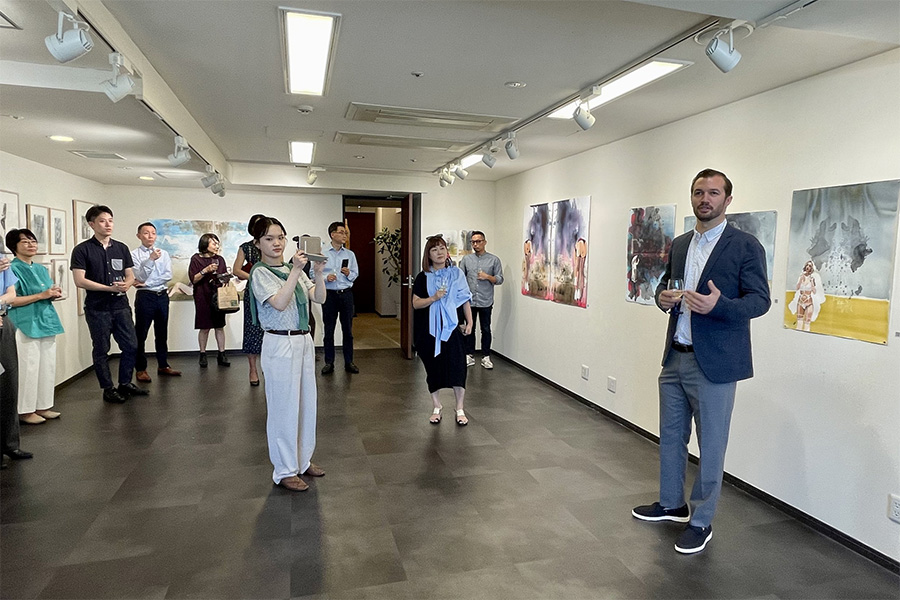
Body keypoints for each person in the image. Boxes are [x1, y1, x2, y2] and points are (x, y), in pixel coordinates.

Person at [631, 169, 770, 554]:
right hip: (675, 356)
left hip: (717, 364)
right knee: (671, 438)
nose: (704, 199)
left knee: (711, 446)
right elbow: (666, 284)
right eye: (698, 192)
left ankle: (701, 520)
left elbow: (760, 301)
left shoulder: (744, 246)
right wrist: (661, 297)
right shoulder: (679, 244)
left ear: (728, 199)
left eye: (713, 192)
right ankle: (671, 503)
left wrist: (719, 305)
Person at [247, 216, 326, 492]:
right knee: (283, 408)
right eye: (269, 238)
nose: (277, 243)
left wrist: (316, 272)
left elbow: (319, 298)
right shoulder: (260, 273)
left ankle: (303, 460)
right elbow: (279, 303)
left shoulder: (295, 270)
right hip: (279, 343)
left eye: (280, 237)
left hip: (303, 341)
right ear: (257, 243)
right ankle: (284, 470)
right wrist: (295, 271)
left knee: (306, 404)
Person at [71, 205, 149, 404]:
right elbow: (80, 280)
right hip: (98, 308)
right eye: (103, 221)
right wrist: (108, 288)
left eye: (111, 220)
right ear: (92, 224)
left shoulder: (121, 247)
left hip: (121, 306)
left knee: (131, 345)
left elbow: (130, 274)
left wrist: (127, 284)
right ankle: (108, 388)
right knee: (101, 349)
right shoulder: (82, 250)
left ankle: (125, 383)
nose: (108, 225)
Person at [412, 235, 473, 426]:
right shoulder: (423, 277)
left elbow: (464, 300)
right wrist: (433, 298)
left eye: (442, 248)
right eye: (434, 249)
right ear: (428, 255)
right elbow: (416, 304)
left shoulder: (457, 274)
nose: (439, 253)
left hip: (452, 328)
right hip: (429, 330)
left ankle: (460, 408)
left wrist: (470, 322)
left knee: (458, 368)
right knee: (433, 368)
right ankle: (437, 406)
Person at [6, 229, 64, 424]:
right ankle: (25, 411)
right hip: (25, 321)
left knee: (47, 366)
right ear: (14, 247)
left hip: (46, 320)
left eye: (33, 241)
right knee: (28, 367)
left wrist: (53, 293)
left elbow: (47, 291)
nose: (31, 245)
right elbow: (11, 300)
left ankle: (43, 406)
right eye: (25, 242)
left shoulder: (40, 268)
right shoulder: (11, 269)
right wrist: (42, 295)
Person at [131, 222, 181, 382]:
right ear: (139, 236)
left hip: (162, 296)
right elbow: (139, 276)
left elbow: (167, 276)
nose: (150, 236)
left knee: (162, 332)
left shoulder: (164, 253)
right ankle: (140, 368)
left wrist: (148, 282)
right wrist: (150, 260)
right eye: (146, 233)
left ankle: (163, 365)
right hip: (145, 297)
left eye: (153, 233)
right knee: (141, 333)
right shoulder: (134, 255)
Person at [0, 254, 32, 467]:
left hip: (3, 320)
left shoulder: (2, 264)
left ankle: (9, 443)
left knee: (8, 383)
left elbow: (11, 293)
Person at [458, 230, 503, 370]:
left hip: (485, 300)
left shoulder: (494, 260)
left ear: (484, 242)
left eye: (478, 241)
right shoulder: (466, 260)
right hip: (469, 301)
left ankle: (485, 356)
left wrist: (487, 277)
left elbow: (500, 279)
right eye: (473, 242)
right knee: (469, 328)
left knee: (485, 329)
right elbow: (460, 278)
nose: (475, 244)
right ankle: (469, 355)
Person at [321, 221, 359, 374]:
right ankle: (329, 362)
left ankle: (349, 362)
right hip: (329, 295)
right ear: (332, 234)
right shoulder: (322, 254)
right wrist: (325, 277)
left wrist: (349, 274)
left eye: (346, 233)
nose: (345, 235)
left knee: (348, 331)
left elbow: (355, 274)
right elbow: (312, 275)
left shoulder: (350, 255)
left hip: (346, 295)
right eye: (342, 232)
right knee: (328, 330)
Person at [232, 214, 266, 385]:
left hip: (270, 293)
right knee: (252, 329)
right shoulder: (246, 247)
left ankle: (268, 367)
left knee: (270, 330)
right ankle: (253, 369)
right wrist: (254, 276)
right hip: (252, 293)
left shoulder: (270, 245)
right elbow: (236, 270)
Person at [188, 233, 230, 368]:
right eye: (214, 243)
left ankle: (222, 354)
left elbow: (223, 276)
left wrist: (225, 278)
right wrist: (205, 270)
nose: (217, 246)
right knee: (204, 327)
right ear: (205, 244)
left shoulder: (220, 259)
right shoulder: (196, 259)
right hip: (202, 295)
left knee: (219, 326)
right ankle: (202, 354)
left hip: (217, 295)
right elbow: (193, 279)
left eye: (217, 243)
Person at [788, 260, 825, 332]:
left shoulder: (812, 278)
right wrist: (801, 280)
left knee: (807, 322)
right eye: (807, 265)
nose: (808, 267)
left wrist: (811, 283)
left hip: (809, 301)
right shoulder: (801, 276)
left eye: (810, 266)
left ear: (811, 268)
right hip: (801, 300)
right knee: (799, 321)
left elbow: (814, 292)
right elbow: (797, 288)